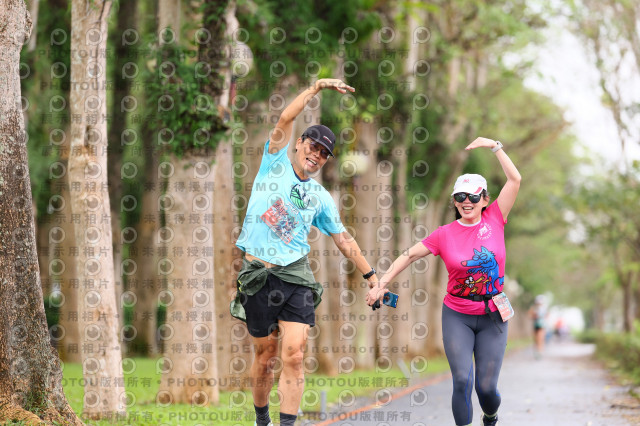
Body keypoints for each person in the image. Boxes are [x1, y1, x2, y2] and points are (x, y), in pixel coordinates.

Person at [230, 78, 379, 426]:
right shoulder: (274, 162)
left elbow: (343, 239)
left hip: (295, 275)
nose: (317, 155)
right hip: (257, 273)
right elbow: (285, 118)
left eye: (324, 153)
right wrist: (315, 89)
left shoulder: (320, 197)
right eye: (313, 146)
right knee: (265, 357)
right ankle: (262, 420)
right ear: (299, 144)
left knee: (294, 355)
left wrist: (371, 275)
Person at [366, 137, 521, 426]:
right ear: (454, 201)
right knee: (462, 380)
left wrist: (495, 146)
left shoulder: (495, 218)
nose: (467, 202)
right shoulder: (444, 234)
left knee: (487, 389)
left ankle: (490, 415)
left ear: (485, 200)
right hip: (457, 315)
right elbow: (409, 255)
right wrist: (381, 283)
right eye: (460, 196)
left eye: (473, 196)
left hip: (493, 315)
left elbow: (515, 179)